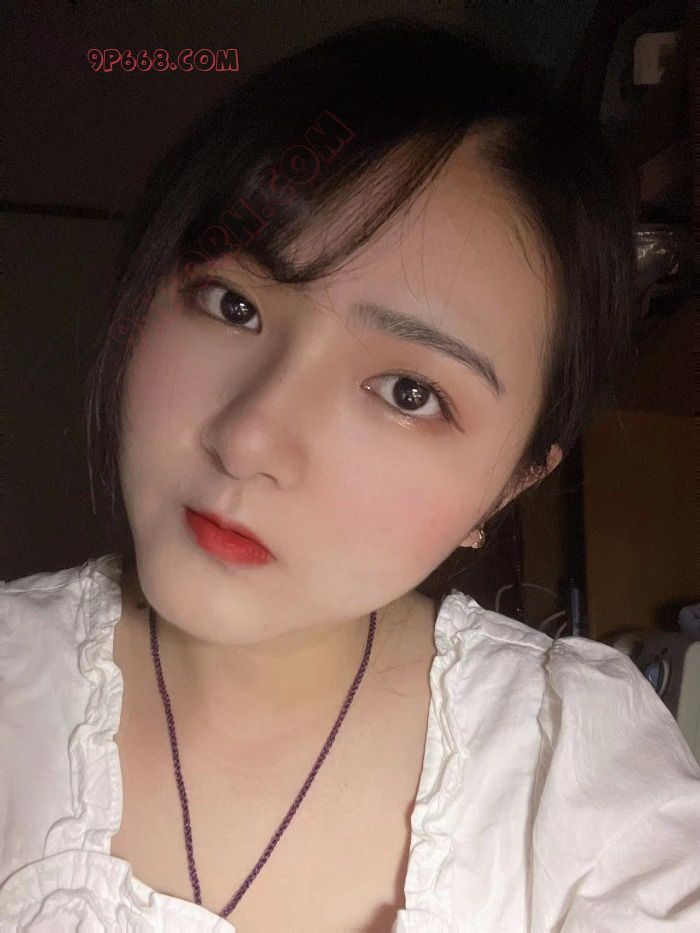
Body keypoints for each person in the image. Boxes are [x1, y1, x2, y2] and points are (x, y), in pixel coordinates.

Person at [1, 17, 698, 933]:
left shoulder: (573, 775)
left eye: (410, 392)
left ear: (512, 484)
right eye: (232, 304)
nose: (249, 438)